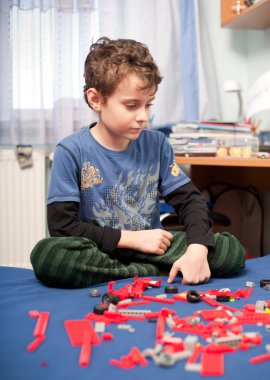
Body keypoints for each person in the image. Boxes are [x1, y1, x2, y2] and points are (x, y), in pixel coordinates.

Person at [46, 37, 216, 286]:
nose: (143, 117)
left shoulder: (157, 145)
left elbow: (191, 201)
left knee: (227, 248)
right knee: (49, 256)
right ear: (96, 100)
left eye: (148, 105)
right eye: (131, 105)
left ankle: (141, 269)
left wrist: (198, 250)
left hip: (152, 249)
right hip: (99, 250)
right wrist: (130, 239)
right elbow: (62, 227)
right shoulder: (70, 151)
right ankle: (145, 272)